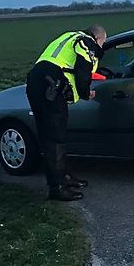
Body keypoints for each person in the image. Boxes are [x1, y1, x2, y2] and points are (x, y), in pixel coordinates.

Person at [26, 24, 106, 201]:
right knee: (55, 138)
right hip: (51, 86)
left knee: (51, 135)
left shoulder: (70, 36)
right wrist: (86, 93)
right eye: (103, 43)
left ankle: (64, 177)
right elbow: (83, 70)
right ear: (98, 38)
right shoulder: (87, 43)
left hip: (38, 81)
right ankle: (57, 188)